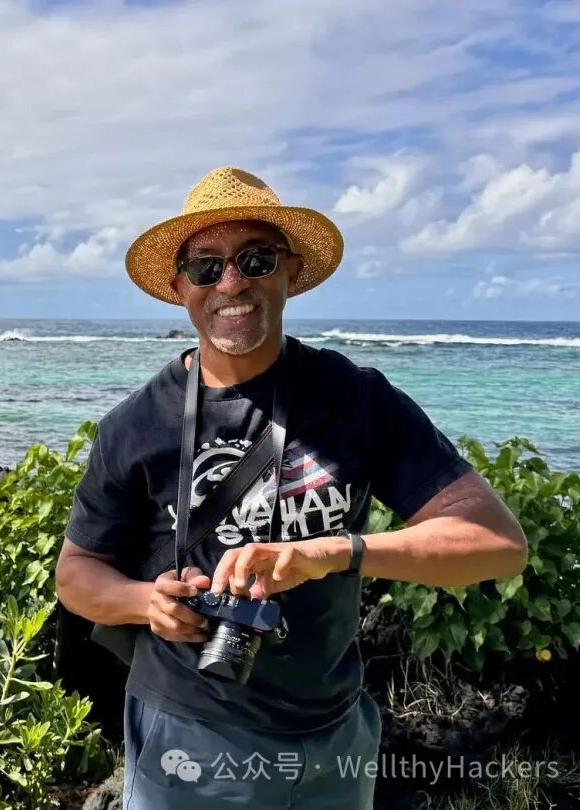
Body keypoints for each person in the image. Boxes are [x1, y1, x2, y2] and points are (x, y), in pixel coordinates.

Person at [54, 167, 527, 809]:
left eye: (255, 258)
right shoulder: (136, 426)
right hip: (191, 734)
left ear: (289, 271)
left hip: (335, 733)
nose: (232, 282)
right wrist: (146, 603)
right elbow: (76, 575)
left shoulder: (357, 400)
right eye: (206, 267)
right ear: (178, 287)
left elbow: (497, 544)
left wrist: (335, 552)